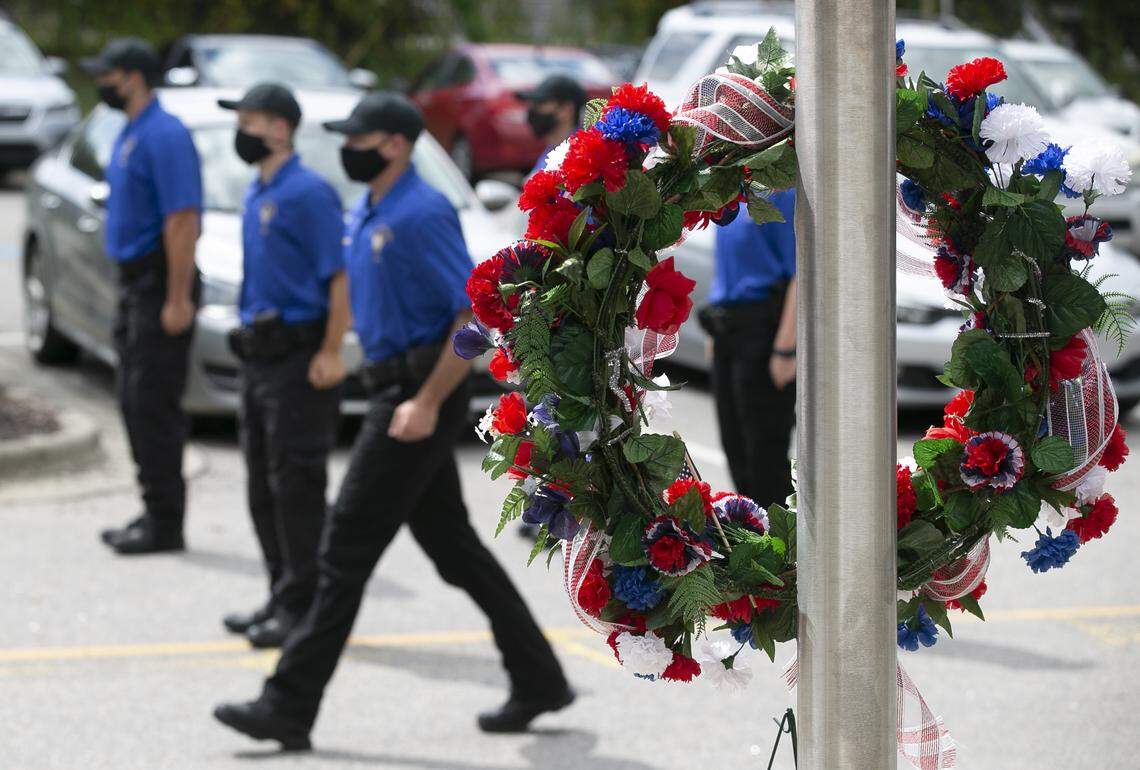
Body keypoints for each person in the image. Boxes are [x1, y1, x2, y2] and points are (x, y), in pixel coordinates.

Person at [213, 92, 573, 751]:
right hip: (389, 387)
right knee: (454, 549)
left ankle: (287, 705)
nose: (347, 146)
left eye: (360, 137)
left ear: (396, 144)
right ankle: (540, 677)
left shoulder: (422, 211)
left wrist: (429, 401)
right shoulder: (369, 207)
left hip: (412, 398)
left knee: (342, 548)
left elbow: (473, 322)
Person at [216, 83, 350, 648]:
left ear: (279, 127)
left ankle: (303, 609)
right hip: (261, 357)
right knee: (261, 488)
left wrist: (330, 350)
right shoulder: (258, 188)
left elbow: (339, 277)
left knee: (296, 487)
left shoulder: (308, 193)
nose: (241, 130)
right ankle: (281, 594)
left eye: (249, 119)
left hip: (299, 358)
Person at [81, 39, 202, 555]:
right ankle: (153, 508)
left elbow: (181, 220)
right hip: (136, 283)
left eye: (107, 74)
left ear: (133, 77)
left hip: (160, 283)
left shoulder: (165, 134)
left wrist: (176, 298)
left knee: (153, 405)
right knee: (133, 401)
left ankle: (166, 522)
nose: (101, 83)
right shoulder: (131, 129)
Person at [698, 191, 797, 509]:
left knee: (764, 455)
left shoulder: (783, 193)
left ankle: (782, 547)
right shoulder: (731, 192)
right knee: (735, 447)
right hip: (728, 329)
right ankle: (755, 537)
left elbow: (802, 274)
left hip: (764, 331)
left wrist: (785, 350)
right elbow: (727, 265)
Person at [517, 74, 587, 174]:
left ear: (566, 109)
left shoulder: (582, 154)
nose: (532, 111)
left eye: (540, 104)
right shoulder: (552, 149)